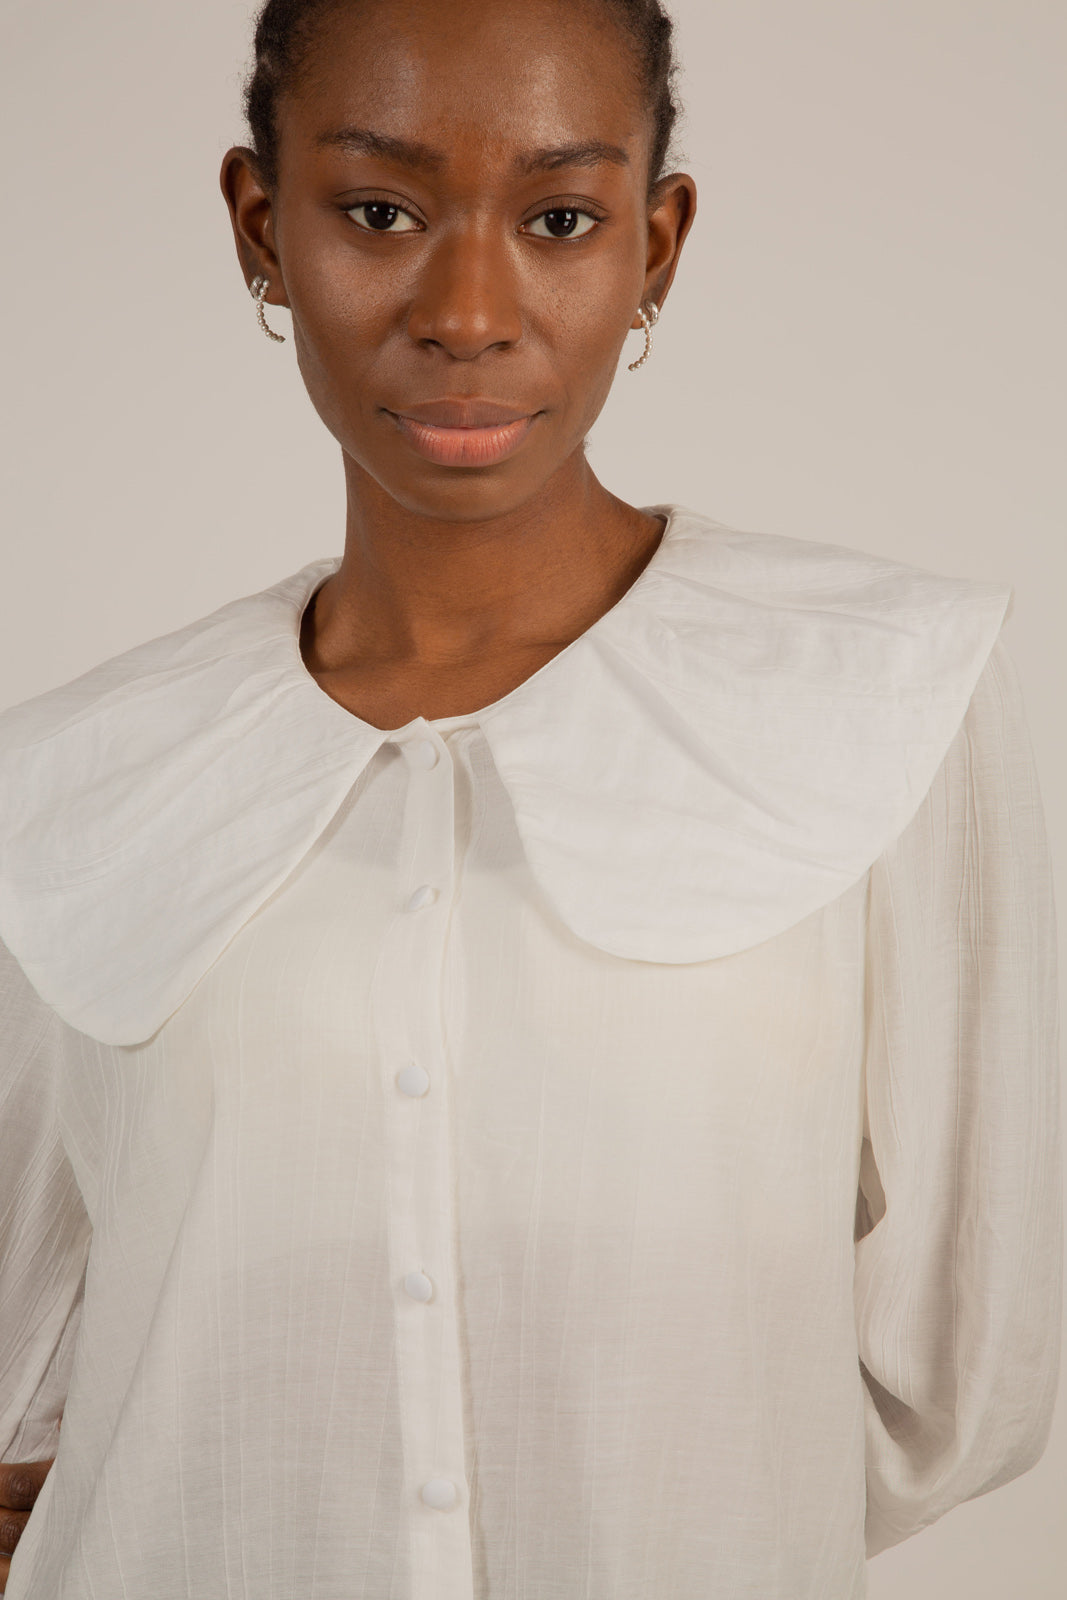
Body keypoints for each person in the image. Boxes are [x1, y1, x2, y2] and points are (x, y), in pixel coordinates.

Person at [0, 0, 1060, 1595]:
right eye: (379, 212)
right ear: (260, 227)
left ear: (657, 243)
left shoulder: (888, 697)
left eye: (559, 220)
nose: (468, 313)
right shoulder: (77, 781)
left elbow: (971, 1373)